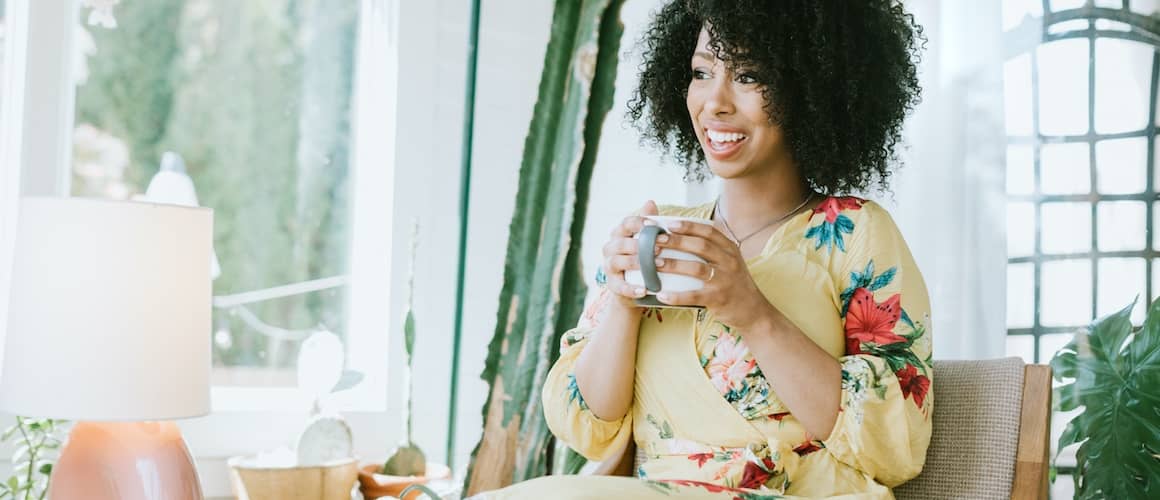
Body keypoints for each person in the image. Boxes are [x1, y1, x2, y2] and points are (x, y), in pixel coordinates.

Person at [479, 1, 930, 497]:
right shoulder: (665, 235)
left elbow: (896, 445)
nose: (714, 101)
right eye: (701, 71)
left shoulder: (857, 231)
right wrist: (624, 303)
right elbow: (590, 425)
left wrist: (753, 312)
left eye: (749, 75)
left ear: (811, 86)